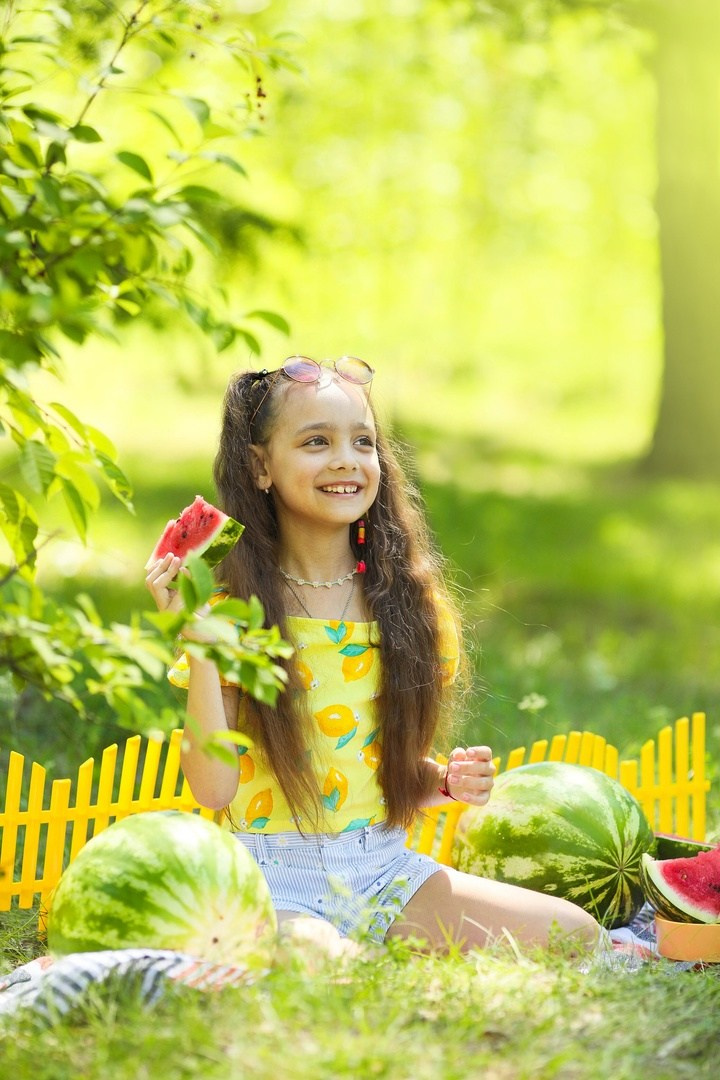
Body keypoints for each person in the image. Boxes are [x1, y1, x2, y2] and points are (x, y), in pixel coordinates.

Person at [145, 355, 600, 959]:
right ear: (260, 466)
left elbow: (378, 772)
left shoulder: (409, 609)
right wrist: (201, 647)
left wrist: (445, 781)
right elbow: (213, 791)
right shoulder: (234, 614)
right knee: (328, 964)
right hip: (273, 877)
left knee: (579, 935)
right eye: (315, 441)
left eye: (363, 441)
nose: (345, 460)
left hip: (385, 870)